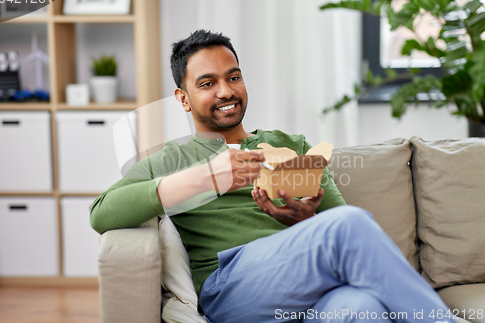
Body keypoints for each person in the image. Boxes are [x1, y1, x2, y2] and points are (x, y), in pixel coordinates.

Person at [90, 30, 456, 323]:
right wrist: (210, 176)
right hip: (234, 289)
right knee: (350, 225)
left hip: (308, 287)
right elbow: (102, 213)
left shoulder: (289, 145)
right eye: (207, 83)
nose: (226, 91)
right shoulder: (173, 158)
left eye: (234, 77)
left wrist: (304, 218)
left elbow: (337, 227)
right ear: (183, 98)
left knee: (360, 308)